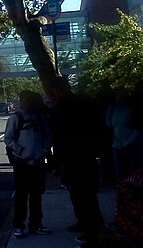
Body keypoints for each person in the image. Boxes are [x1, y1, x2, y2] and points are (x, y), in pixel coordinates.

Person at [48, 78, 105, 246]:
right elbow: (100, 127)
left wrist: (55, 163)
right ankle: (87, 223)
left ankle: (93, 230)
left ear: (56, 91)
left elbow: (58, 137)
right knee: (86, 193)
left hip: (71, 156)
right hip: (87, 154)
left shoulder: (60, 109)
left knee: (80, 194)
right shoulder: (88, 102)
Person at [4, 90, 52, 239]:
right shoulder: (16, 118)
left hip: (38, 162)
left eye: (32, 100)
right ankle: (18, 225)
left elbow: (47, 135)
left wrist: (44, 150)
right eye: (27, 100)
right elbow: (9, 138)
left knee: (37, 195)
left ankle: (36, 224)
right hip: (22, 163)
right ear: (21, 100)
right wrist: (20, 151)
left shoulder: (39, 117)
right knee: (21, 196)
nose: (30, 103)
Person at [106, 90, 143, 182]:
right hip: (117, 143)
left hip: (130, 143)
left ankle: (133, 188)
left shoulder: (131, 110)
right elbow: (109, 124)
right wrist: (110, 110)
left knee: (132, 167)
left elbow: (137, 130)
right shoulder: (114, 109)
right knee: (119, 169)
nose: (118, 99)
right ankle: (122, 188)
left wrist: (126, 144)